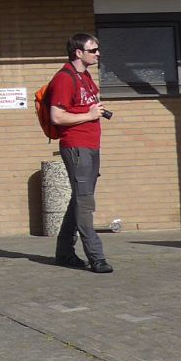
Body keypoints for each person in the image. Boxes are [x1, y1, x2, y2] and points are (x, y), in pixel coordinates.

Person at [48, 31, 113, 274]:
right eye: (93, 50)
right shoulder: (64, 78)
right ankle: (97, 257)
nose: (98, 54)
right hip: (76, 147)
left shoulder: (85, 76)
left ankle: (64, 253)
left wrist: (94, 111)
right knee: (85, 202)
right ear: (78, 52)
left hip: (91, 145)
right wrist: (89, 115)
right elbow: (57, 116)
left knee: (79, 199)